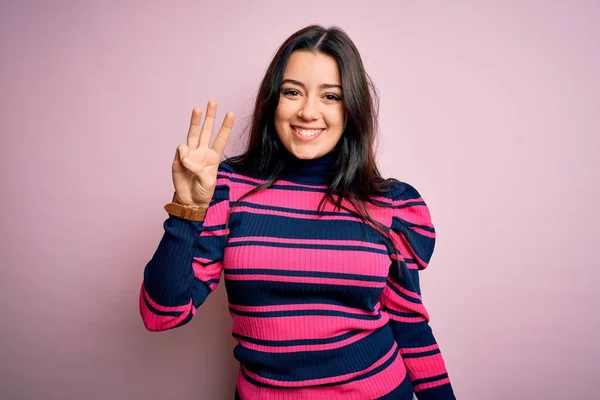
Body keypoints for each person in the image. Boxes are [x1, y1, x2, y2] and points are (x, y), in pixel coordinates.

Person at [139, 25, 456, 400]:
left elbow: (410, 323)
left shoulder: (388, 204)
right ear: (274, 100)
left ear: (351, 108)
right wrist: (187, 211)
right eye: (293, 92)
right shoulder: (228, 188)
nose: (308, 112)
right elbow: (161, 314)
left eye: (330, 96)